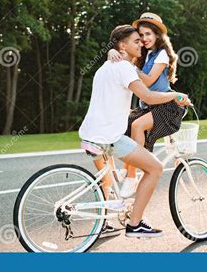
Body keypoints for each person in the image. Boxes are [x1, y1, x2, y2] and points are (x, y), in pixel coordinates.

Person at [79, 24, 190, 238]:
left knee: (108, 182)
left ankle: (105, 221)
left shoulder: (104, 68)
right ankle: (135, 224)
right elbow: (148, 96)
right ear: (123, 45)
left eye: (142, 40)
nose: (141, 44)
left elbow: (111, 100)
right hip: (109, 137)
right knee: (155, 168)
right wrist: (175, 96)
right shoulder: (124, 68)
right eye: (136, 41)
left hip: (90, 134)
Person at [108, 13, 186, 198]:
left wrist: (131, 67)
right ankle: (128, 170)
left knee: (138, 125)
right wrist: (112, 51)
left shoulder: (162, 55)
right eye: (141, 35)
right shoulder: (143, 55)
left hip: (165, 104)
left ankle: (132, 176)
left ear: (158, 35)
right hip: (149, 105)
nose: (144, 39)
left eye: (148, 34)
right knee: (125, 124)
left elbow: (150, 81)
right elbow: (120, 52)